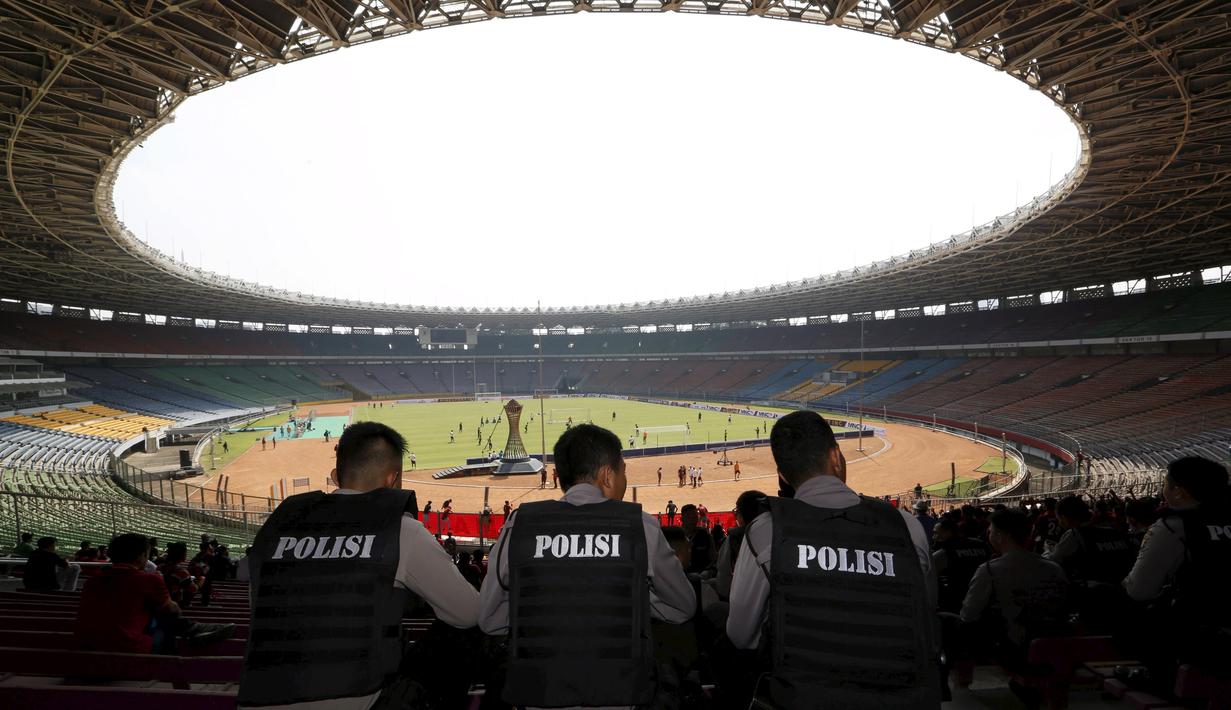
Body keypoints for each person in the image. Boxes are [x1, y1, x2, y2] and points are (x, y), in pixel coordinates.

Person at [237, 421, 479, 708]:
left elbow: (247, 577)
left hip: (258, 696)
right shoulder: (401, 530)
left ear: (335, 475)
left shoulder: (280, 524)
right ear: (393, 479)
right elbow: (470, 614)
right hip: (361, 696)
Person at [728, 410, 939, 707]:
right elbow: (925, 614)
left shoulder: (764, 532)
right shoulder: (906, 527)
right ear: (836, 457)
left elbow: (740, 635)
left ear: (783, 475)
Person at [478, 424, 695, 707]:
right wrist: (636, 596)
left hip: (538, 696)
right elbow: (683, 606)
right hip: (622, 695)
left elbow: (490, 620)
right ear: (607, 475)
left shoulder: (518, 526)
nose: (625, 480)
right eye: (623, 471)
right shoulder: (641, 527)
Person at [1120, 457, 1230, 681]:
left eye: (1166, 483)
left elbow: (1139, 590)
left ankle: (1156, 677)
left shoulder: (1175, 526)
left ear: (1179, 492)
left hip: (1203, 638)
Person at [75, 533, 234, 653]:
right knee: (164, 614)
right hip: (126, 647)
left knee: (153, 609)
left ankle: (195, 630)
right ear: (140, 555)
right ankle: (193, 633)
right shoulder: (148, 579)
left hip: (85, 646)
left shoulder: (92, 581)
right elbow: (174, 610)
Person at [959, 509, 1069, 668]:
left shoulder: (989, 570)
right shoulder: (1054, 568)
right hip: (1056, 647)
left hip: (1013, 652)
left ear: (1000, 536)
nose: (988, 534)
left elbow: (968, 615)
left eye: (991, 530)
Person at [931, 517, 991, 613]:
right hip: (985, 599)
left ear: (948, 532)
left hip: (956, 601)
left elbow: (929, 574)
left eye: (936, 533)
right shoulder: (980, 544)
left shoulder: (946, 552)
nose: (934, 537)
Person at [681, 504, 714, 575]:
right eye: (689, 517)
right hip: (680, 580)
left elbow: (714, 559)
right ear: (682, 518)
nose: (693, 520)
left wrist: (709, 571)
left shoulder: (705, 535)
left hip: (702, 580)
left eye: (695, 517)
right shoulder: (676, 536)